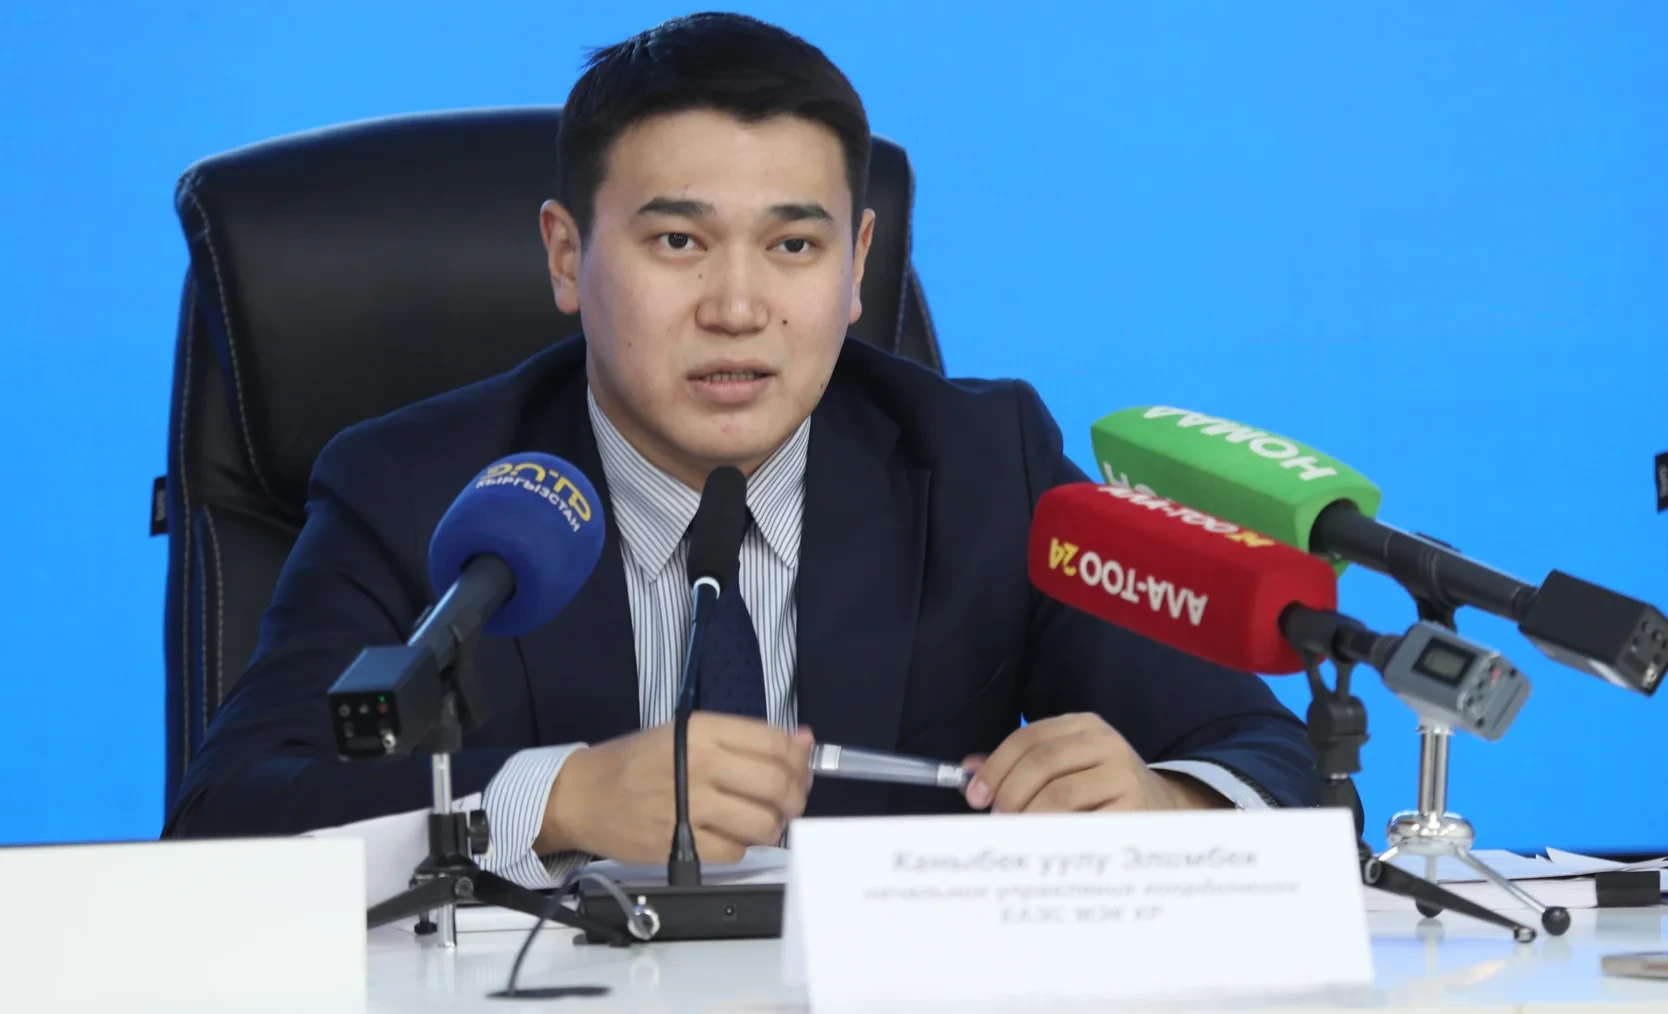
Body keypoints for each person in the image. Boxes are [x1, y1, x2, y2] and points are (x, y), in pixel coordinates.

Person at [166, 12, 1325, 885]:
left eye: (793, 247)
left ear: (857, 265)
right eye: (678, 241)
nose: (736, 307)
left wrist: (1170, 809)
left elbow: (1269, 759)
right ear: (567, 257)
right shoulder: (421, 489)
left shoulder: (982, 465)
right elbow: (223, 824)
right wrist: (559, 798)